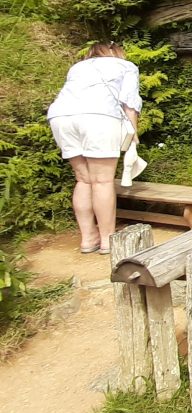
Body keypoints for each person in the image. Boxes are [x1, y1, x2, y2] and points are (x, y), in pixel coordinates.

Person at [48, 42, 142, 255]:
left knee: (83, 179)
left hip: (61, 117)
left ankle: (88, 238)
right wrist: (133, 132)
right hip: (99, 118)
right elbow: (129, 102)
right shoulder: (125, 66)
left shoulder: (77, 67)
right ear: (116, 52)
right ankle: (108, 240)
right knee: (102, 181)